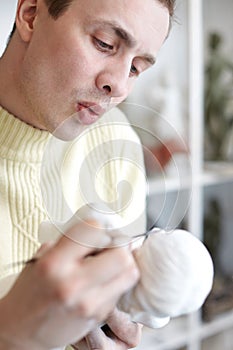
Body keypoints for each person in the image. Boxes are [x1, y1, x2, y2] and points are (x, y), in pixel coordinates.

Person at [0, 0, 174, 349]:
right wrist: (12, 337)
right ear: (31, 14)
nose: (120, 86)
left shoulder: (115, 140)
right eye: (105, 44)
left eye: (137, 68)